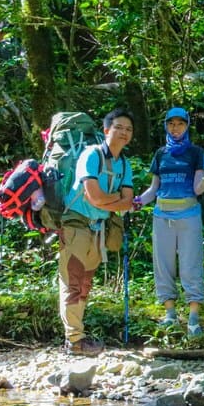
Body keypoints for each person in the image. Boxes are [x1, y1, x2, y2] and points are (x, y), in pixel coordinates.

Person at [133, 107, 204, 337]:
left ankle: (193, 319)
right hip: (162, 214)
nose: (175, 128)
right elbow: (154, 188)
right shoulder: (161, 154)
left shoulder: (196, 152)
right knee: (163, 264)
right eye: (171, 124)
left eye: (180, 124)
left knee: (191, 264)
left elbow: (196, 188)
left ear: (187, 125)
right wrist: (138, 201)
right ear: (166, 126)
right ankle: (170, 315)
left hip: (189, 213)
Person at [58, 109, 136, 356]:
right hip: (76, 223)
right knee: (72, 280)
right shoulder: (90, 155)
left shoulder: (124, 163)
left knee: (85, 282)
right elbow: (94, 196)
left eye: (128, 129)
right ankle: (74, 340)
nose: (124, 133)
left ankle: (77, 337)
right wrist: (113, 201)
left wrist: (105, 202)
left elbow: (128, 201)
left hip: (98, 228)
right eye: (119, 127)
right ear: (106, 130)